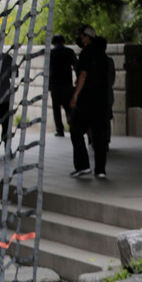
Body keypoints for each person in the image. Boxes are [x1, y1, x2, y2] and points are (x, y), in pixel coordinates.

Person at [68, 25, 109, 179]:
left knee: (76, 131)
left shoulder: (86, 53)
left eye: (82, 35)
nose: (80, 38)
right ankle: (100, 169)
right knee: (99, 135)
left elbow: (83, 75)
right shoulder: (102, 55)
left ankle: (82, 165)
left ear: (87, 37)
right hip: (101, 100)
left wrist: (75, 95)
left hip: (87, 100)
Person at [48, 33, 76, 137]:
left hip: (55, 86)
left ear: (53, 42)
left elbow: (48, 70)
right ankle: (72, 123)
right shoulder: (69, 52)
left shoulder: (51, 53)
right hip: (67, 84)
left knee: (56, 108)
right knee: (69, 107)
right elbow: (76, 66)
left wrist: (48, 85)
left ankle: (60, 129)